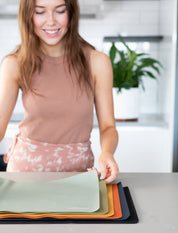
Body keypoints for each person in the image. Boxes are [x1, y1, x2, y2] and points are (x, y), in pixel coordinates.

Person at [0, 0, 119, 183]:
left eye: (60, 11)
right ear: (28, 16)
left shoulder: (97, 63)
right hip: (23, 177)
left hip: (79, 177)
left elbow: (108, 127)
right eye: (40, 12)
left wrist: (107, 153)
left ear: (71, 13)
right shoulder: (15, 63)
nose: (51, 21)